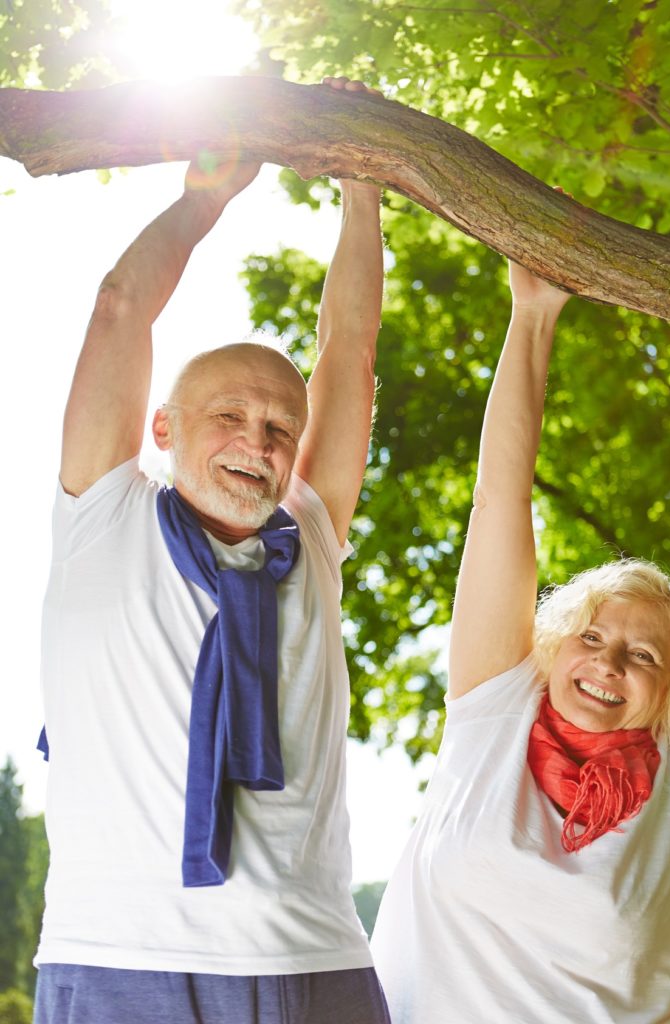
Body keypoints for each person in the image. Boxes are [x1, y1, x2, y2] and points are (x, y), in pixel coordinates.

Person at [33, 77, 392, 1024]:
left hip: (310, 953)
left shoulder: (310, 536)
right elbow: (119, 308)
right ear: (162, 424)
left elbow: (347, 352)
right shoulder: (103, 514)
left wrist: (362, 185)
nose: (258, 442)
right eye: (228, 416)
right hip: (121, 956)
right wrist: (205, 200)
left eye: (280, 427)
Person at [371, 258, 670, 1022]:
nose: (607, 661)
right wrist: (532, 311)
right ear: (552, 646)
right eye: (590, 635)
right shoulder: (496, 704)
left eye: (642, 655)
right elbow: (499, 496)